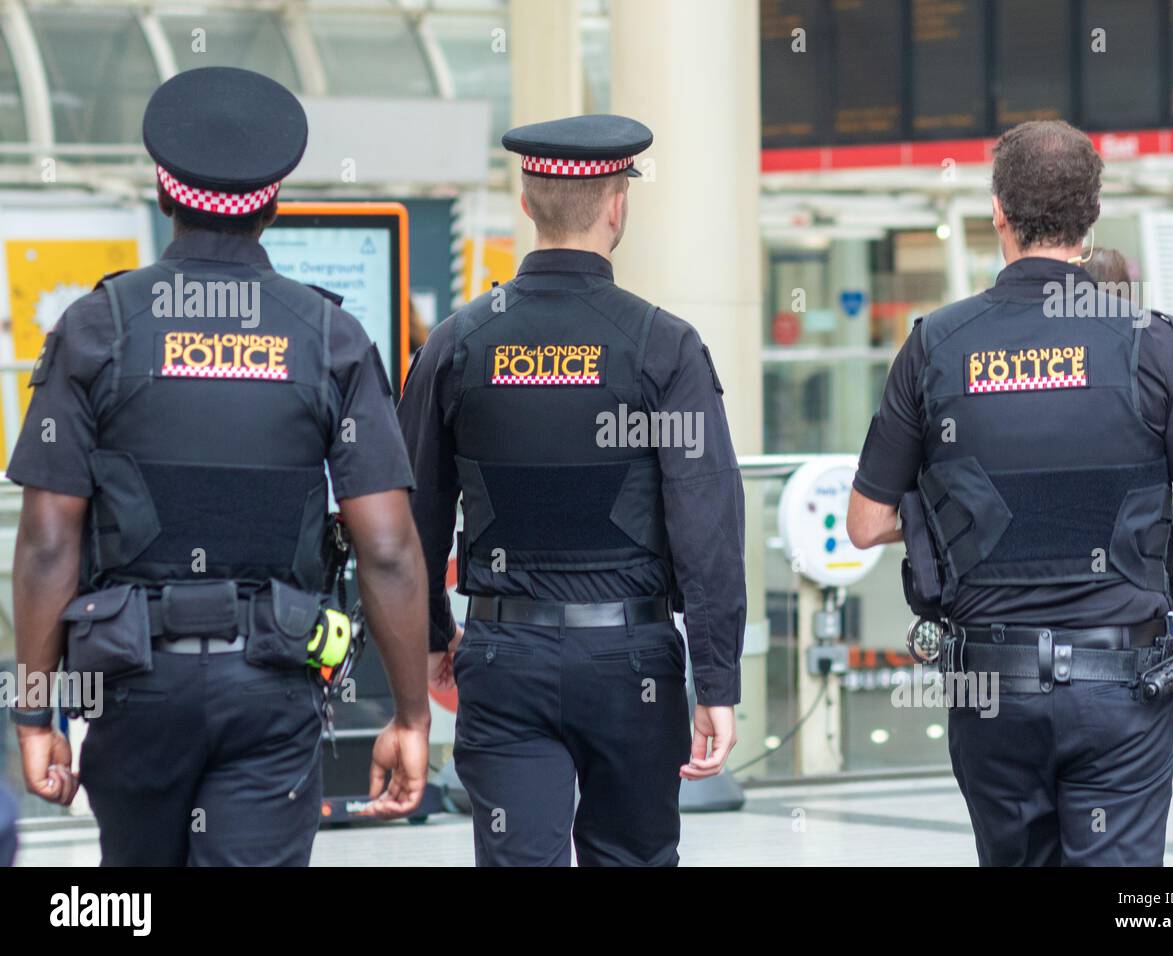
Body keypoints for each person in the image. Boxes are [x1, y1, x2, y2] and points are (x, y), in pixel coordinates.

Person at [6, 67, 431, 866]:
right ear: (272, 203)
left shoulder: (95, 330)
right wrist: (410, 716)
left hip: (133, 683)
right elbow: (387, 546)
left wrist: (35, 716)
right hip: (273, 677)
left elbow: (47, 545)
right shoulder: (329, 338)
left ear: (163, 194)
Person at [846, 119, 1173, 866]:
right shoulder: (1151, 342)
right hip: (1124, 691)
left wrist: (971, 512)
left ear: (996, 210)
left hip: (992, 693)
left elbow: (865, 524)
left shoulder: (935, 345)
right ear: (1091, 218)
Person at [398, 114, 744, 866]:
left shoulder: (457, 343)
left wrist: (428, 639)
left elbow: (412, 516)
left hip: (502, 654)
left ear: (527, 204)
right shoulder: (665, 345)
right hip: (633, 664)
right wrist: (717, 678)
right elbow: (706, 521)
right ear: (617, 205)